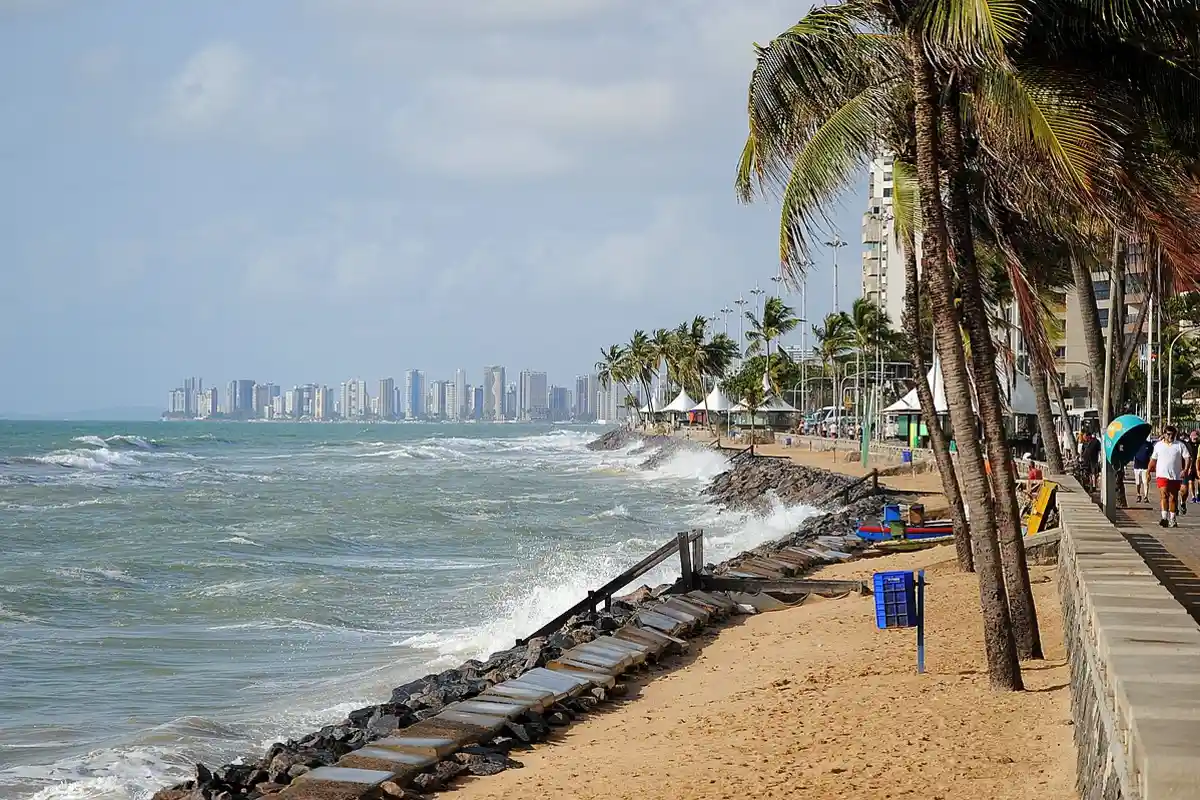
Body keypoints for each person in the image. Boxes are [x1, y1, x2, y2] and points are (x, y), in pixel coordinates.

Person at [1150, 425, 1191, 528]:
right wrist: (1148, 471)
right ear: (1164, 434)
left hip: (1175, 475)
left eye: (1173, 435)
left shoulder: (1179, 445)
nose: (1170, 436)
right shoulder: (1158, 445)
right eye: (1168, 434)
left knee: (1173, 497)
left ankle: (1172, 519)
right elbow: (1153, 459)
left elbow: (1187, 457)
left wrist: (1185, 470)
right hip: (1162, 475)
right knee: (1164, 495)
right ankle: (1164, 518)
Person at [1132, 436, 1154, 504]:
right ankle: (1138, 495)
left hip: (1145, 467)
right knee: (1138, 483)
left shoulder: (1149, 445)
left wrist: (1150, 468)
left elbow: (1151, 455)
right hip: (1137, 466)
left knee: (1145, 482)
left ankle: (1145, 496)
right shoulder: (1136, 444)